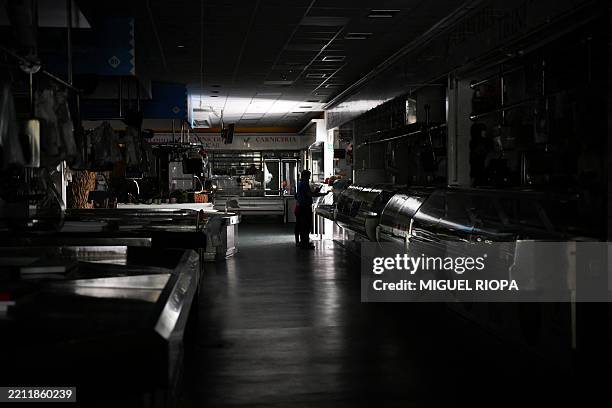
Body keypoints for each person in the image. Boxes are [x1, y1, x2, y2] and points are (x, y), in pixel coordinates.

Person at [294, 170, 329, 249]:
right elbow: (310, 194)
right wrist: (322, 193)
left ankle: (300, 242)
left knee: (300, 225)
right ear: (305, 176)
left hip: (300, 207)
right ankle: (304, 243)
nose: (309, 178)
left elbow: (299, 195)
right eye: (308, 176)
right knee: (305, 226)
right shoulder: (304, 184)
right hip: (304, 208)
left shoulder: (300, 184)